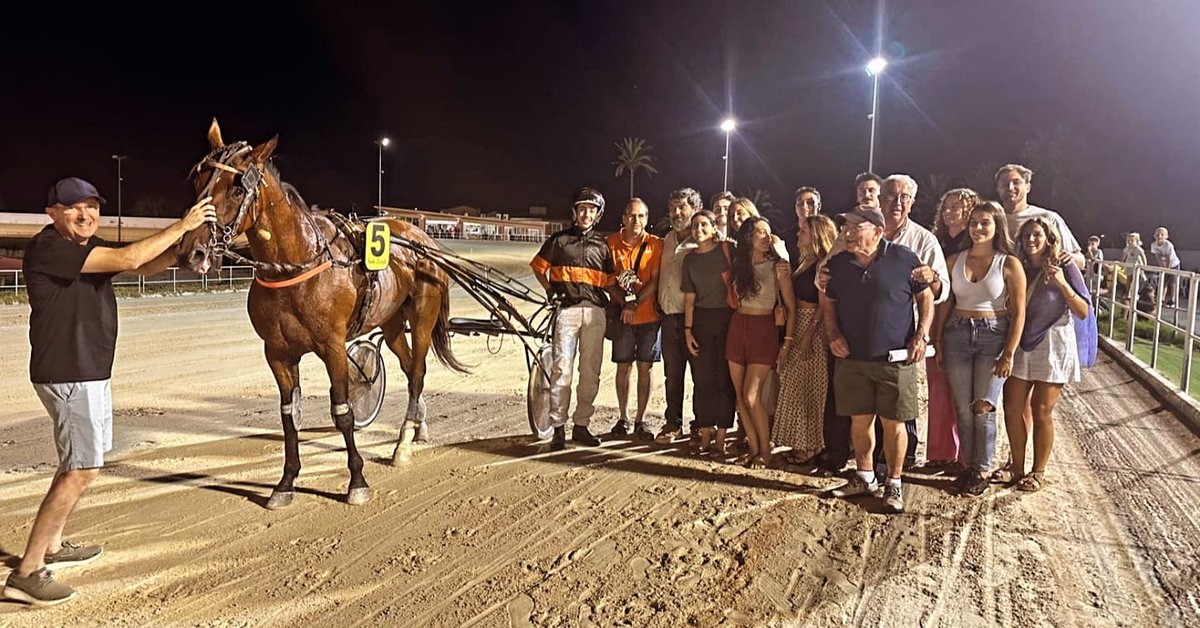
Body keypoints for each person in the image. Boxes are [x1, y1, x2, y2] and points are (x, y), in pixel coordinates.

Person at [6, 177, 215, 607]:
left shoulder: (86, 246)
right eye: (73, 208)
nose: (85, 215)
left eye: (91, 207)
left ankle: (54, 545)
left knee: (83, 462)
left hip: (90, 371)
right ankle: (27, 572)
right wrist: (182, 224)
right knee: (80, 469)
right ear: (52, 213)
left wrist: (181, 254)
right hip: (69, 371)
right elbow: (129, 253)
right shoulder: (49, 248)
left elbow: (138, 267)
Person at [824, 205, 933, 514]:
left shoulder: (903, 258)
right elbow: (829, 304)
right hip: (852, 359)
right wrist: (833, 335)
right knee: (860, 421)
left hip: (895, 359)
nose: (847, 232)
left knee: (894, 423)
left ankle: (894, 482)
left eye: (855, 227)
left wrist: (921, 334)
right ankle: (864, 476)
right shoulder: (839, 264)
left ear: (876, 230)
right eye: (846, 226)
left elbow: (926, 297)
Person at [934, 201, 1026, 496]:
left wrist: (1009, 352)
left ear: (997, 225)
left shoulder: (1008, 264)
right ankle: (968, 466)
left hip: (993, 335)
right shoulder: (954, 261)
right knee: (962, 408)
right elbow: (946, 302)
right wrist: (937, 339)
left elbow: (1020, 312)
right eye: (973, 222)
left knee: (984, 405)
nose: (977, 228)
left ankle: (983, 468)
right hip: (957, 335)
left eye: (985, 222)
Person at [1003, 217, 1090, 492]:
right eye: (1026, 235)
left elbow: (1083, 311)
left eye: (1037, 235)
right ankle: (1016, 468)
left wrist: (1062, 283)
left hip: (1054, 345)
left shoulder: (1065, 265)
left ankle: (1037, 471)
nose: (1030, 239)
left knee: (1041, 411)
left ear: (1049, 239)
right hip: (1020, 342)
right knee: (1012, 407)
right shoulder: (1018, 265)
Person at [529, 187, 615, 450]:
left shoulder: (603, 246)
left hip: (595, 314)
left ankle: (582, 425)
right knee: (561, 370)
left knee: (590, 371)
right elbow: (538, 267)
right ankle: (557, 428)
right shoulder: (558, 241)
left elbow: (610, 283)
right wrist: (550, 291)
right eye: (582, 209)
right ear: (575, 212)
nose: (586, 214)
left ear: (598, 214)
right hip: (566, 312)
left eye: (591, 209)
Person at [878, 175, 950, 471]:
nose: (897, 202)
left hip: (904, 334)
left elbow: (942, 290)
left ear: (912, 203)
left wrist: (932, 277)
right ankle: (871, 463)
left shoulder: (923, 240)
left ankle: (901, 462)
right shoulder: (867, 232)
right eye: (892, 196)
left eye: (904, 197)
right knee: (871, 400)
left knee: (901, 401)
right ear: (880, 199)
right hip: (870, 331)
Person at [727, 216, 796, 468]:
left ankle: (765, 451)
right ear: (748, 237)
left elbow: (791, 305)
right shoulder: (740, 264)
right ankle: (755, 449)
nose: (767, 238)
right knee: (740, 396)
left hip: (763, 328)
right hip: (738, 327)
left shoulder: (778, 266)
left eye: (769, 233)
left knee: (752, 394)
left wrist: (787, 341)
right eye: (760, 233)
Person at [774, 215, 840, 471]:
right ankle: (803, 443)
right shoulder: (805, 261)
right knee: (798, 387)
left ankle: (812, 446)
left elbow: (823, 306)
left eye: (803, 230)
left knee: (810, 389)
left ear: (816, 235)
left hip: (811, 325)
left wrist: (808, 336)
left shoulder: (822, 264)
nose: (798, 233)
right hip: (798, 322)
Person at [923, 188, 981, 471]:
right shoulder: (936, 241)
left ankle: (965, 456)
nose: (949, 212)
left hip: (967, 317)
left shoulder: (977, 243)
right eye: (945, 206)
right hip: (937, 315)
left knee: (966, 389)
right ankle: (939, 452)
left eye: (956, 207)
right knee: (937, 384)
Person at [606, 199, 663, 441]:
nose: (636, 220)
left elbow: (656, 280)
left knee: (645, 367)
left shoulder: (656, 244)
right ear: (623, 217)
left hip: (649, 316)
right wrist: (625, 304)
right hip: (622, 316)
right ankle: (623, 417)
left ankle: (641, 419)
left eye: (641, 216)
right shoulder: (610, 244)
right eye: (631, 215)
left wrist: (636, 304)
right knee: (623, 366)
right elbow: (609, 282)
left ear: (647, 219)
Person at [681, 210, 737, 455]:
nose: (699, 229)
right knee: (702, 380)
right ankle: (705, 431)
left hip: (728, 319)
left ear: (715, 227)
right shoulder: (690, 260)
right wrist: (688, 330)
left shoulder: (727, 251)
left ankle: (722, 437)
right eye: (695, 225)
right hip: (701, 321)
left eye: (704, 224)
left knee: (724, 379)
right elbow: (690, 300)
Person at [655, 188, 701, 443]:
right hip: (669, 318)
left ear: (694, 209)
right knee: (672, 375)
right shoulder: (667, 239)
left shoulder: (701, 240)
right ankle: (672, 423)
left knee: (699, 375)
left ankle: (700, 423)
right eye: (673, 208)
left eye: (682, 207)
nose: (677, 212)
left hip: (694, 320)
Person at [932, 188, 978, 257]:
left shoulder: (975, 242)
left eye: (954, 207)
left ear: (968, 210)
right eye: (945, 207)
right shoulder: (935, 240)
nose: (947, 211)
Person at [1150, 227, 1181, 306]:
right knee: (1164, 281)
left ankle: (1172, 299)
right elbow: (1157, 256)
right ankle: (1161, 298)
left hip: (1173, 264)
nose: (1159, 236)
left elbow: (1169, 258)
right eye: (1157, 235)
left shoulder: (1168, 245)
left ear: (1166, 236)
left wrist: (1167, 269)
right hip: (1163, 264)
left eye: (1162, 235)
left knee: (1173, 282)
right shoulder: (1153, 245)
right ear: (1154, 236)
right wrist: (1161, 267)